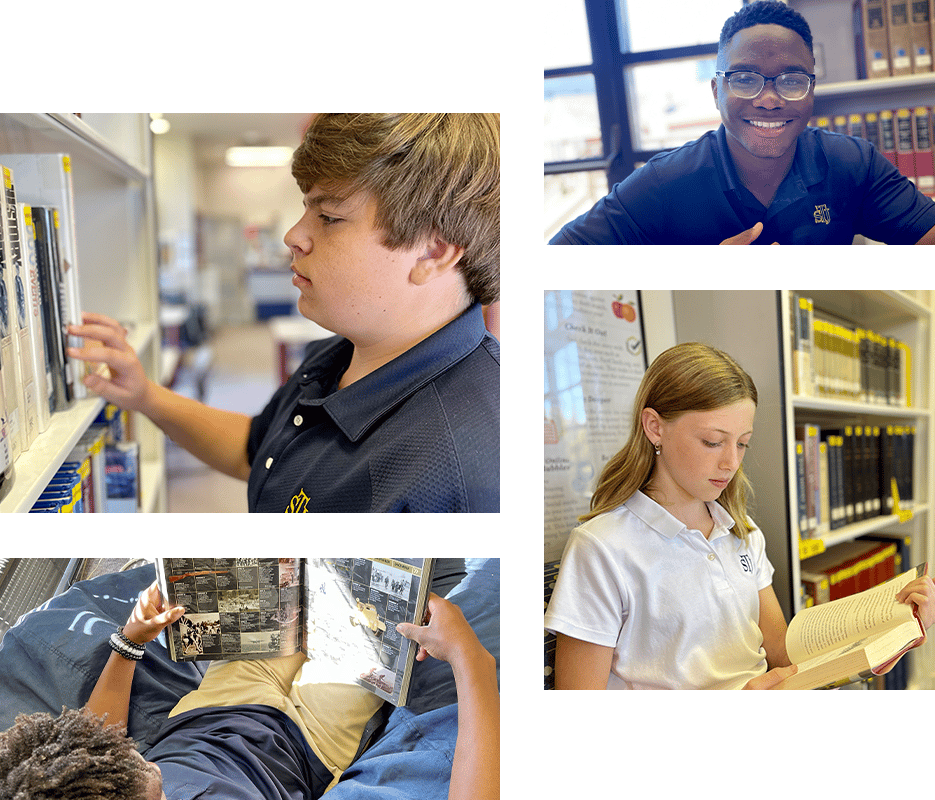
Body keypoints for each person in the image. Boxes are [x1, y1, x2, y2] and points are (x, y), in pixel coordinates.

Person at [68, 113, 500, 512]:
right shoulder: (337, 355)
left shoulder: (463, 469)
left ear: (432, 252)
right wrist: (146, 395)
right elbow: (255, 451)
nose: (293, 235)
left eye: (329, 217)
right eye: (306, 208)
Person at [543, 342, 935, 689]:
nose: (730, 462)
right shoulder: (601, 548)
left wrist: (887, 633)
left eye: (742, 444)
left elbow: (782, 652)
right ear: (654, 427)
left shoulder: (742, 532)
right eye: (713, 441)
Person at [0, 581, 499, 800]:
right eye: (151, 783)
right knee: (374, 614)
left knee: (297, 587)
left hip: (216, 705)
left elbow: (95, 737)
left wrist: (129, 642)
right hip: (310, 740)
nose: (149, 764)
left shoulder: (95, 778)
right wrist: (471, 662)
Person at [548, 1, 935, 245]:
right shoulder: (662, 183)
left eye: (792, 80)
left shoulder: (854, 164)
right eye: (745, 79)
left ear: (812, 91)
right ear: (716, 91)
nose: (769, 99)